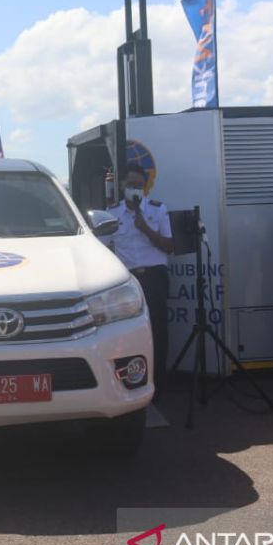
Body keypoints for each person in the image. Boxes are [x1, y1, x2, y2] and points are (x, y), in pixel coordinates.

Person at [106, 166, 174, 392]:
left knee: (157, 331)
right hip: (127, 282)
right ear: (122, 186)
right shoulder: (112, 213)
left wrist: (145, 228)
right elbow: (103, 248)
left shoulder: (158, 210)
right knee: (126, 333)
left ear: (145, 188)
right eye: (129, 184)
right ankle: (128, 383)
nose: (133, 189)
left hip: (154, 278)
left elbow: (170, 246)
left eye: (138, 185)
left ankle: (159, 386)